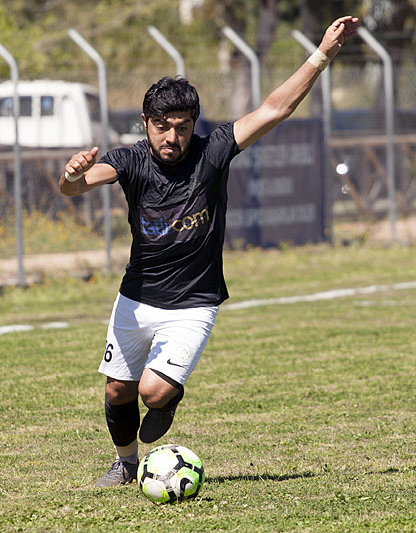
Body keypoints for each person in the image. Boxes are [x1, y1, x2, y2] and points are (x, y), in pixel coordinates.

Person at [59, 16, 359, 487]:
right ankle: (127, 462)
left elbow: (274, 109)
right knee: (118, 389)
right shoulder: (132, 158)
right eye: (161, 126)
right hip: (136, 297)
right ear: (145, 123)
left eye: (180, 127)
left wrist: (321, 56)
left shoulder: (213, 152)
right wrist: (73, 174)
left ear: (194, 124)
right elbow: (76, 188)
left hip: (194, 303)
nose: (171, 138)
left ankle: (169, 399)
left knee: (154, 392)